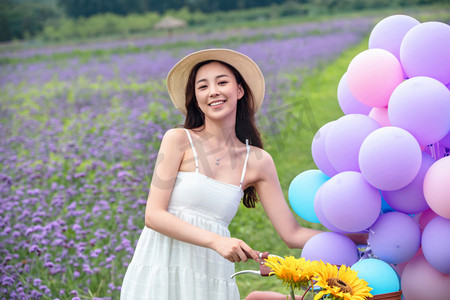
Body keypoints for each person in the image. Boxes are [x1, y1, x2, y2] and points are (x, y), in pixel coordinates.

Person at [120, 48, 366, 300]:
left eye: (222, 82)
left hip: (210, 274)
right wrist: (217, 241)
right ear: (195, 98)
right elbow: (154, 215)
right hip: (161, 265)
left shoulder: (257, 161)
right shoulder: (178, 140)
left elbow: (291, 234)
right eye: (202, 87)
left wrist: (361, 237)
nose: (213, 91)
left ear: (239, 91)